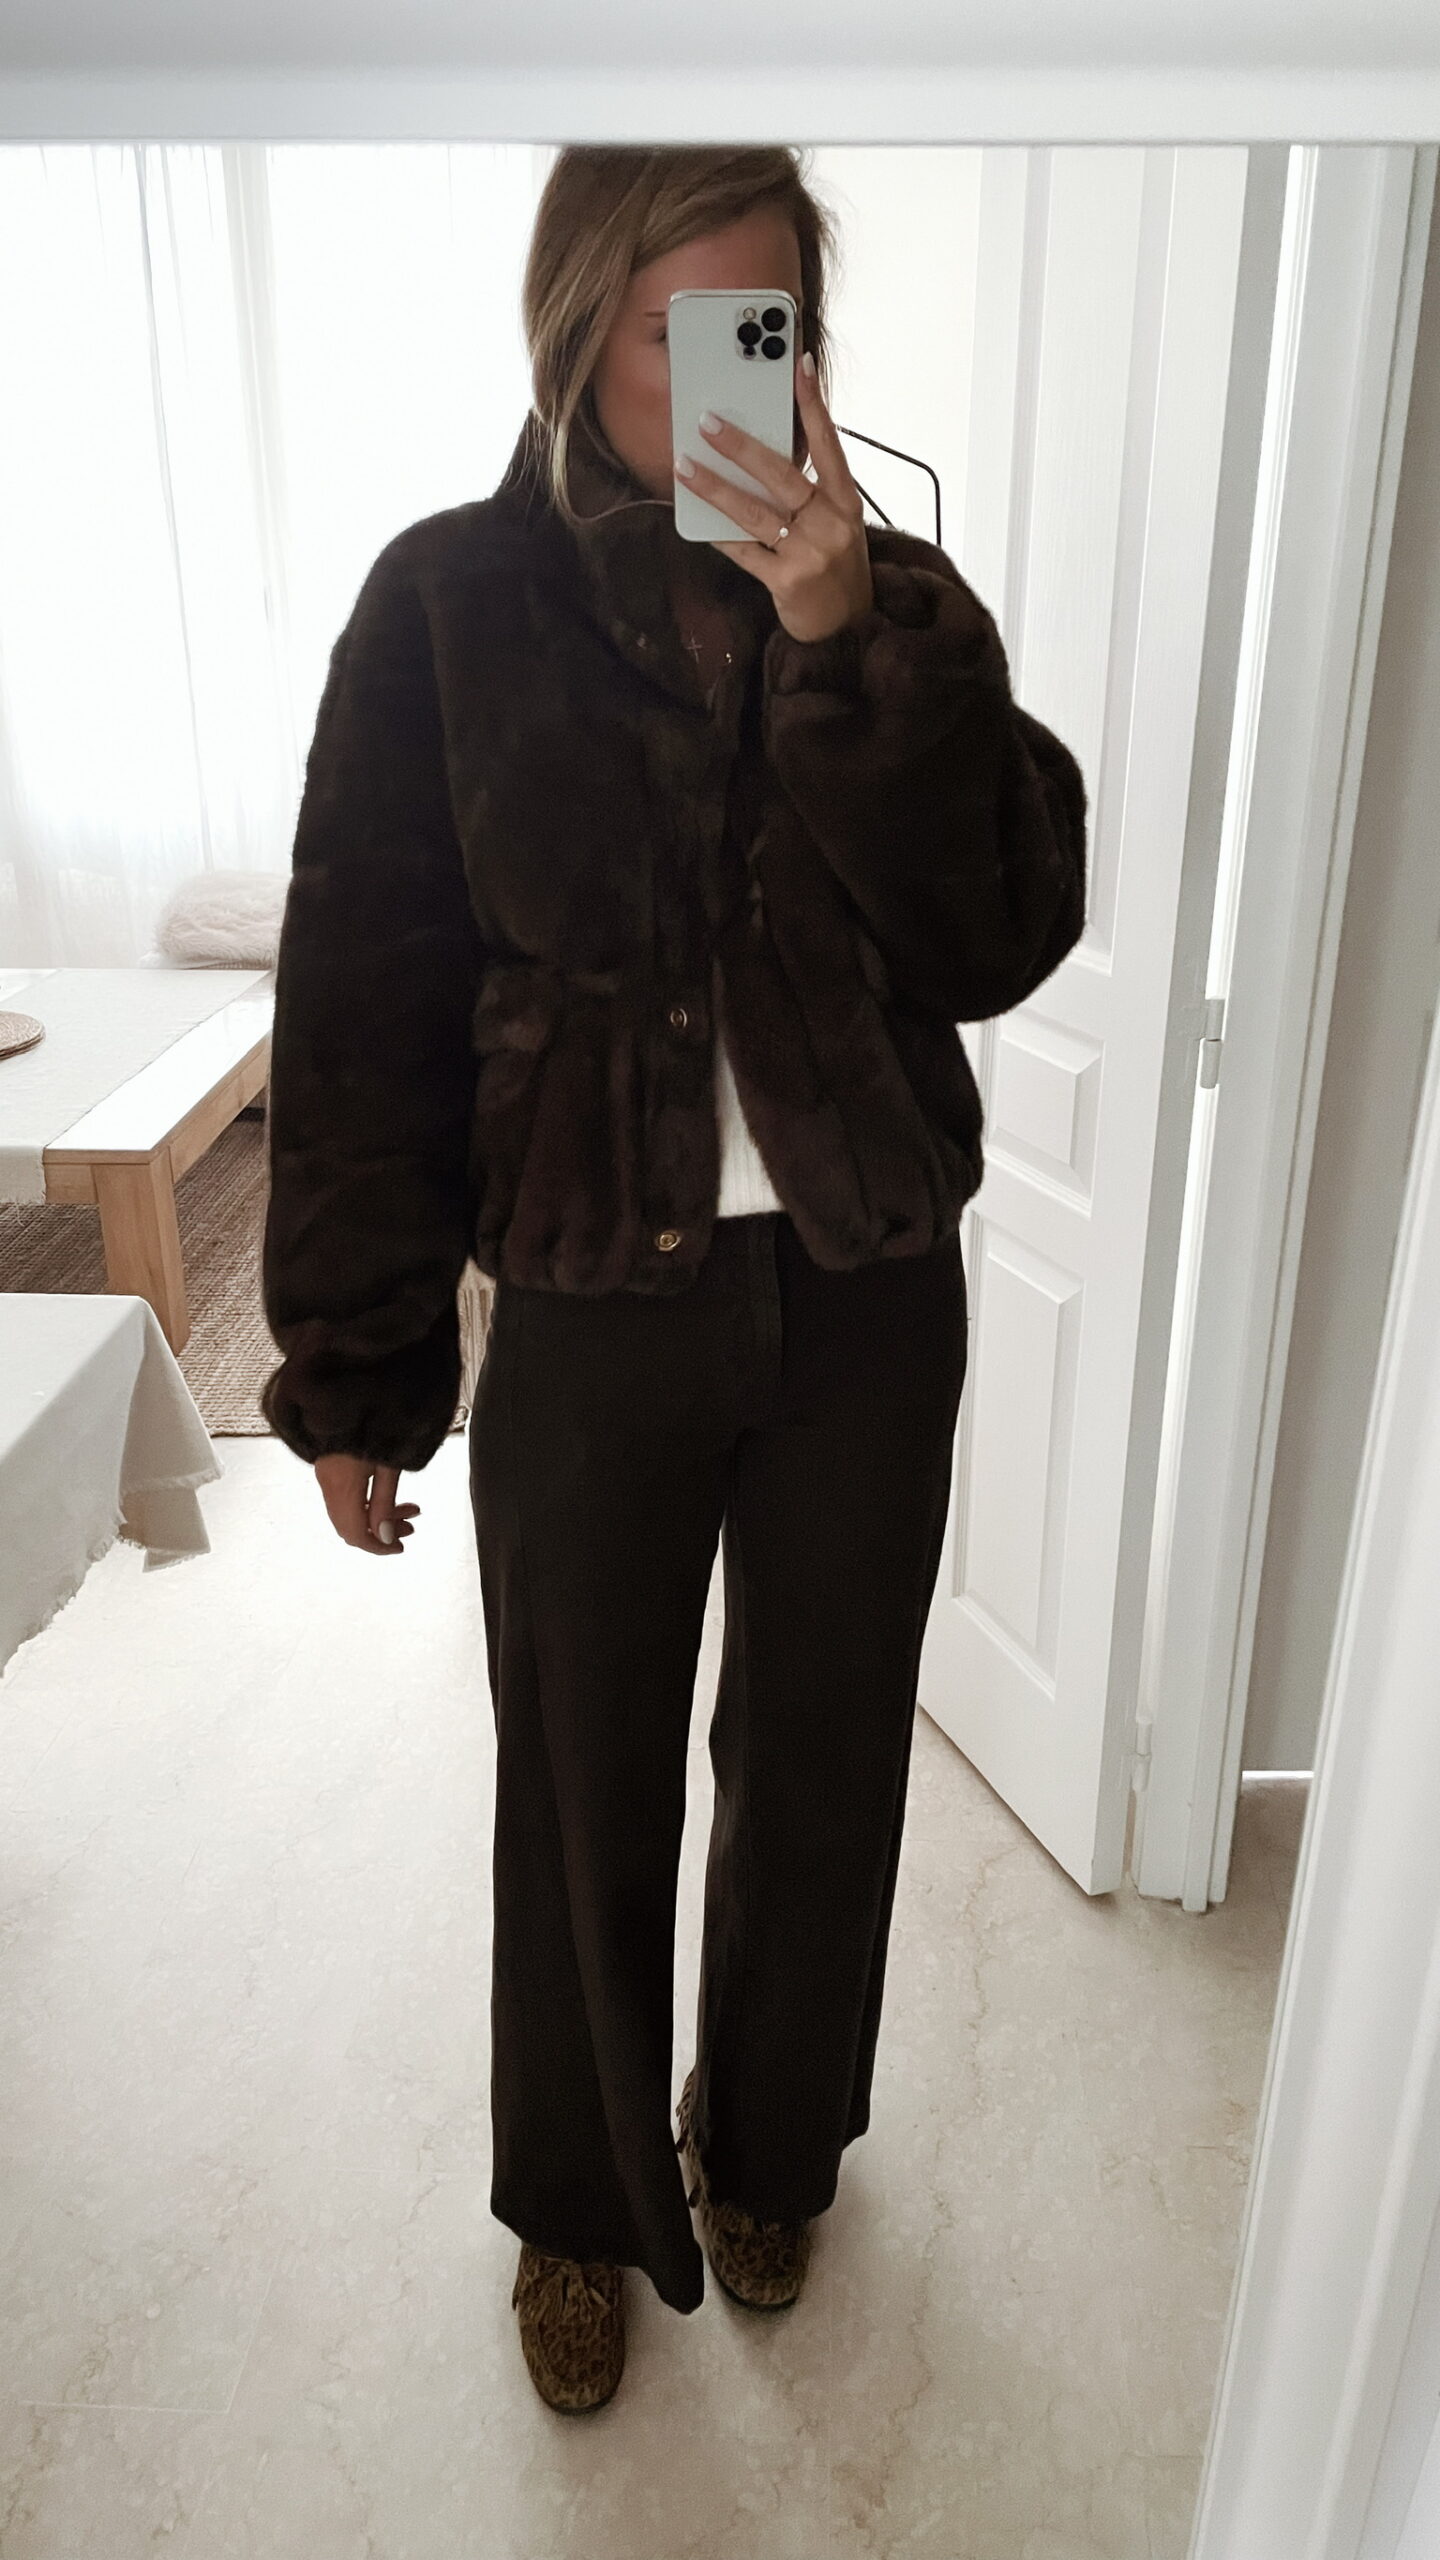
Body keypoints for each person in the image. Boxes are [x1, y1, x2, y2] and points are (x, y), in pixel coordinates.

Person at [259, 144, 1088, 2418]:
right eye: (678, 329)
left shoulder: (892, 607)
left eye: (769, 326)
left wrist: (848, 652)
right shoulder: (446, 605)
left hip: (861, 1298)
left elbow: (1002, 932)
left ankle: (774, 2147)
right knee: (580, 1781)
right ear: (577, 328)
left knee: (824, 1760)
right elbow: (364, 995)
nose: (733, 376)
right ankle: (577, 2200)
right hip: (589, 1303)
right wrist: (358, 1361)